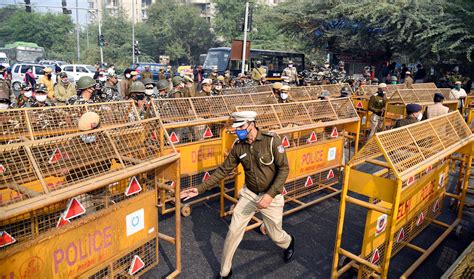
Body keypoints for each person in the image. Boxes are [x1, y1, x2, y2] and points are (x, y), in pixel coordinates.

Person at [180, 111, 295, 278]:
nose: (238, 130)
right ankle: (225, 272)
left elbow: (284, 169)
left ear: (251, 124)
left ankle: (289, 242)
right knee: (233, 231)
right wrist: (199, 189)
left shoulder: (271, 141)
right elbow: (223, 171)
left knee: (275, 235)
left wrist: (270, 195)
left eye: (241, 127)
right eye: (236, 127)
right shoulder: (239, 146)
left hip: (272, 196)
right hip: (250, 195)